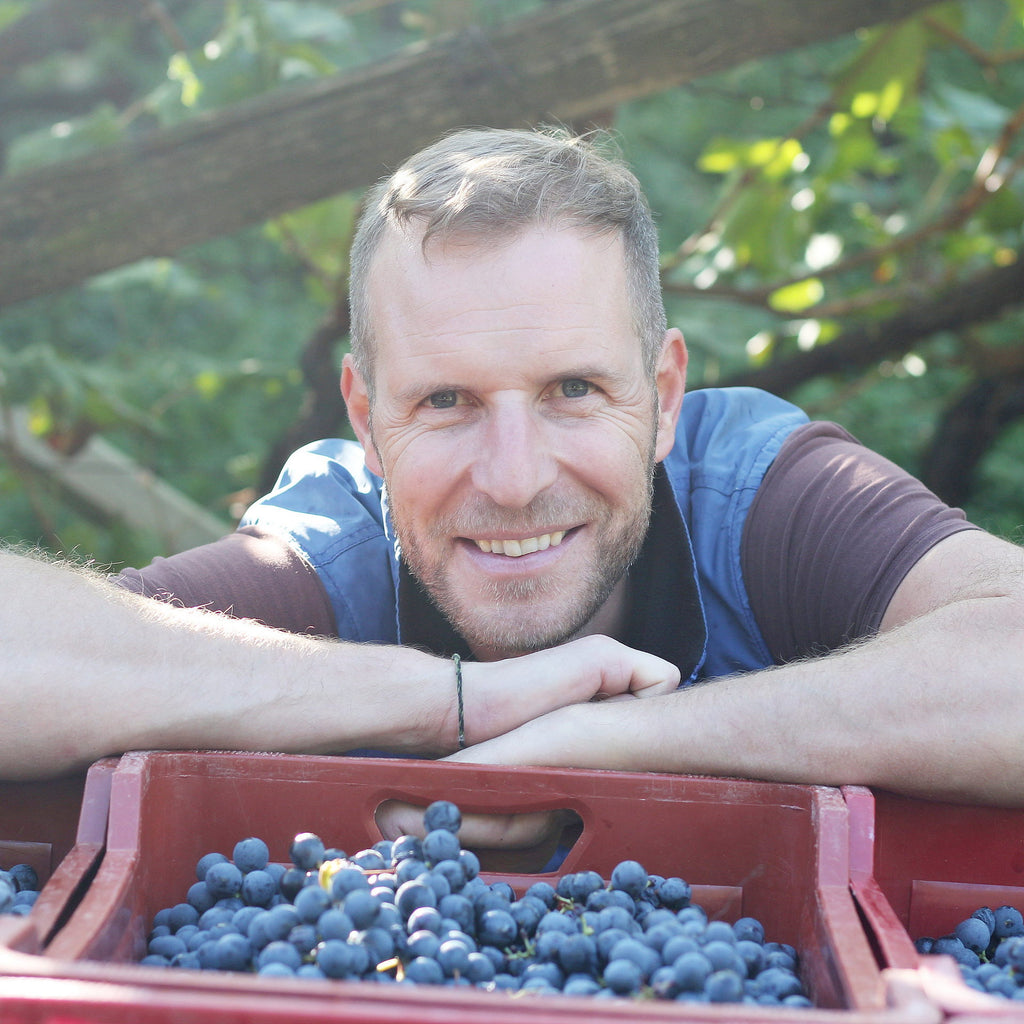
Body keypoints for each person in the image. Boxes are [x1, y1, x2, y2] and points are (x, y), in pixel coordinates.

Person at [29, 127, 1024, 811]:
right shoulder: (336, 547)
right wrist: (451, 705)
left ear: (663, 396)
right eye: (445, 401)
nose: (511, 480)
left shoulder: (764, 498)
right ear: (367, 422)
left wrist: (620, 743)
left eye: (573, 390)